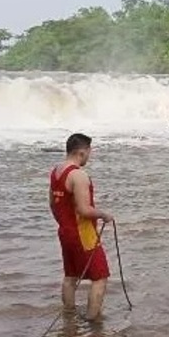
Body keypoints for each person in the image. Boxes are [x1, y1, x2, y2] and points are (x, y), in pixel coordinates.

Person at [48, 133, 113, 321]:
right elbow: (84, 210)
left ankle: (69, 317)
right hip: (82, 233)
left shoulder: (56, 172)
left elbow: (52, 203)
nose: (89, 156)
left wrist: (63, 223)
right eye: (89, 152)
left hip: (65, 231)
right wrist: (104, 215)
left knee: (70, 276)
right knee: (100, 277)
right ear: (82, 152)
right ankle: (93, 323)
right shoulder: (79, 175)